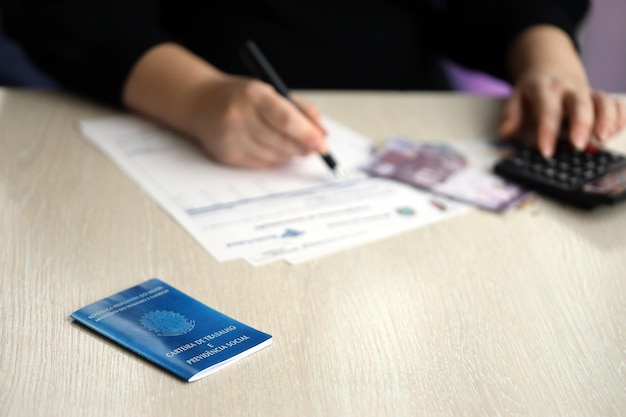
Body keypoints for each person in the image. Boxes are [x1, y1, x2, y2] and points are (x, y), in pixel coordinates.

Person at [3, 1, 625, 168]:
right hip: (164, 104)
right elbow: (63, 11)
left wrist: (547, 55)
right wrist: (193, 97)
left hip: (401, 110)